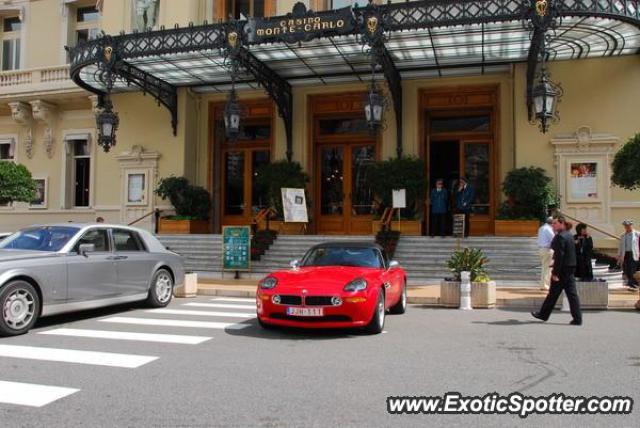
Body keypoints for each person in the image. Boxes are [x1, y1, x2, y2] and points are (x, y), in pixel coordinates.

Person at [532, 216, 582, 326]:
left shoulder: (560, 237)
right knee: (571, 295)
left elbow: (559, 256)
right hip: (570, 267)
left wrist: (555, 273)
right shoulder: (568, 235)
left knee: (554, 294)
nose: (553, 225)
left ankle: (543, 314)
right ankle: (577, 318)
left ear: (562, 223)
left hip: (562, 270)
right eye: (553, 223)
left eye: (555, 223)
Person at [617, 220, 639, 289]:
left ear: (631, 226)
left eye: (628, 226)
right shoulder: (623, 235)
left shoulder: (637, 234)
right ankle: (630, 281)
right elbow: (620, 246)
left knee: (633, 268)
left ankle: (632, 282)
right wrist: (619, 255)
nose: (627, 227)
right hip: (625, 253)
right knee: (626, 268)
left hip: (634, 253)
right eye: (626, 226)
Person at [537, 217, 555, 290]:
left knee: (545, 267)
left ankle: (544, 284)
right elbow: (553, 238)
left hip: (541, 249)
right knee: (547, 268)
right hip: (547, 249)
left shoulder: (541, 228)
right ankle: (545, 285)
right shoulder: (548, 229)